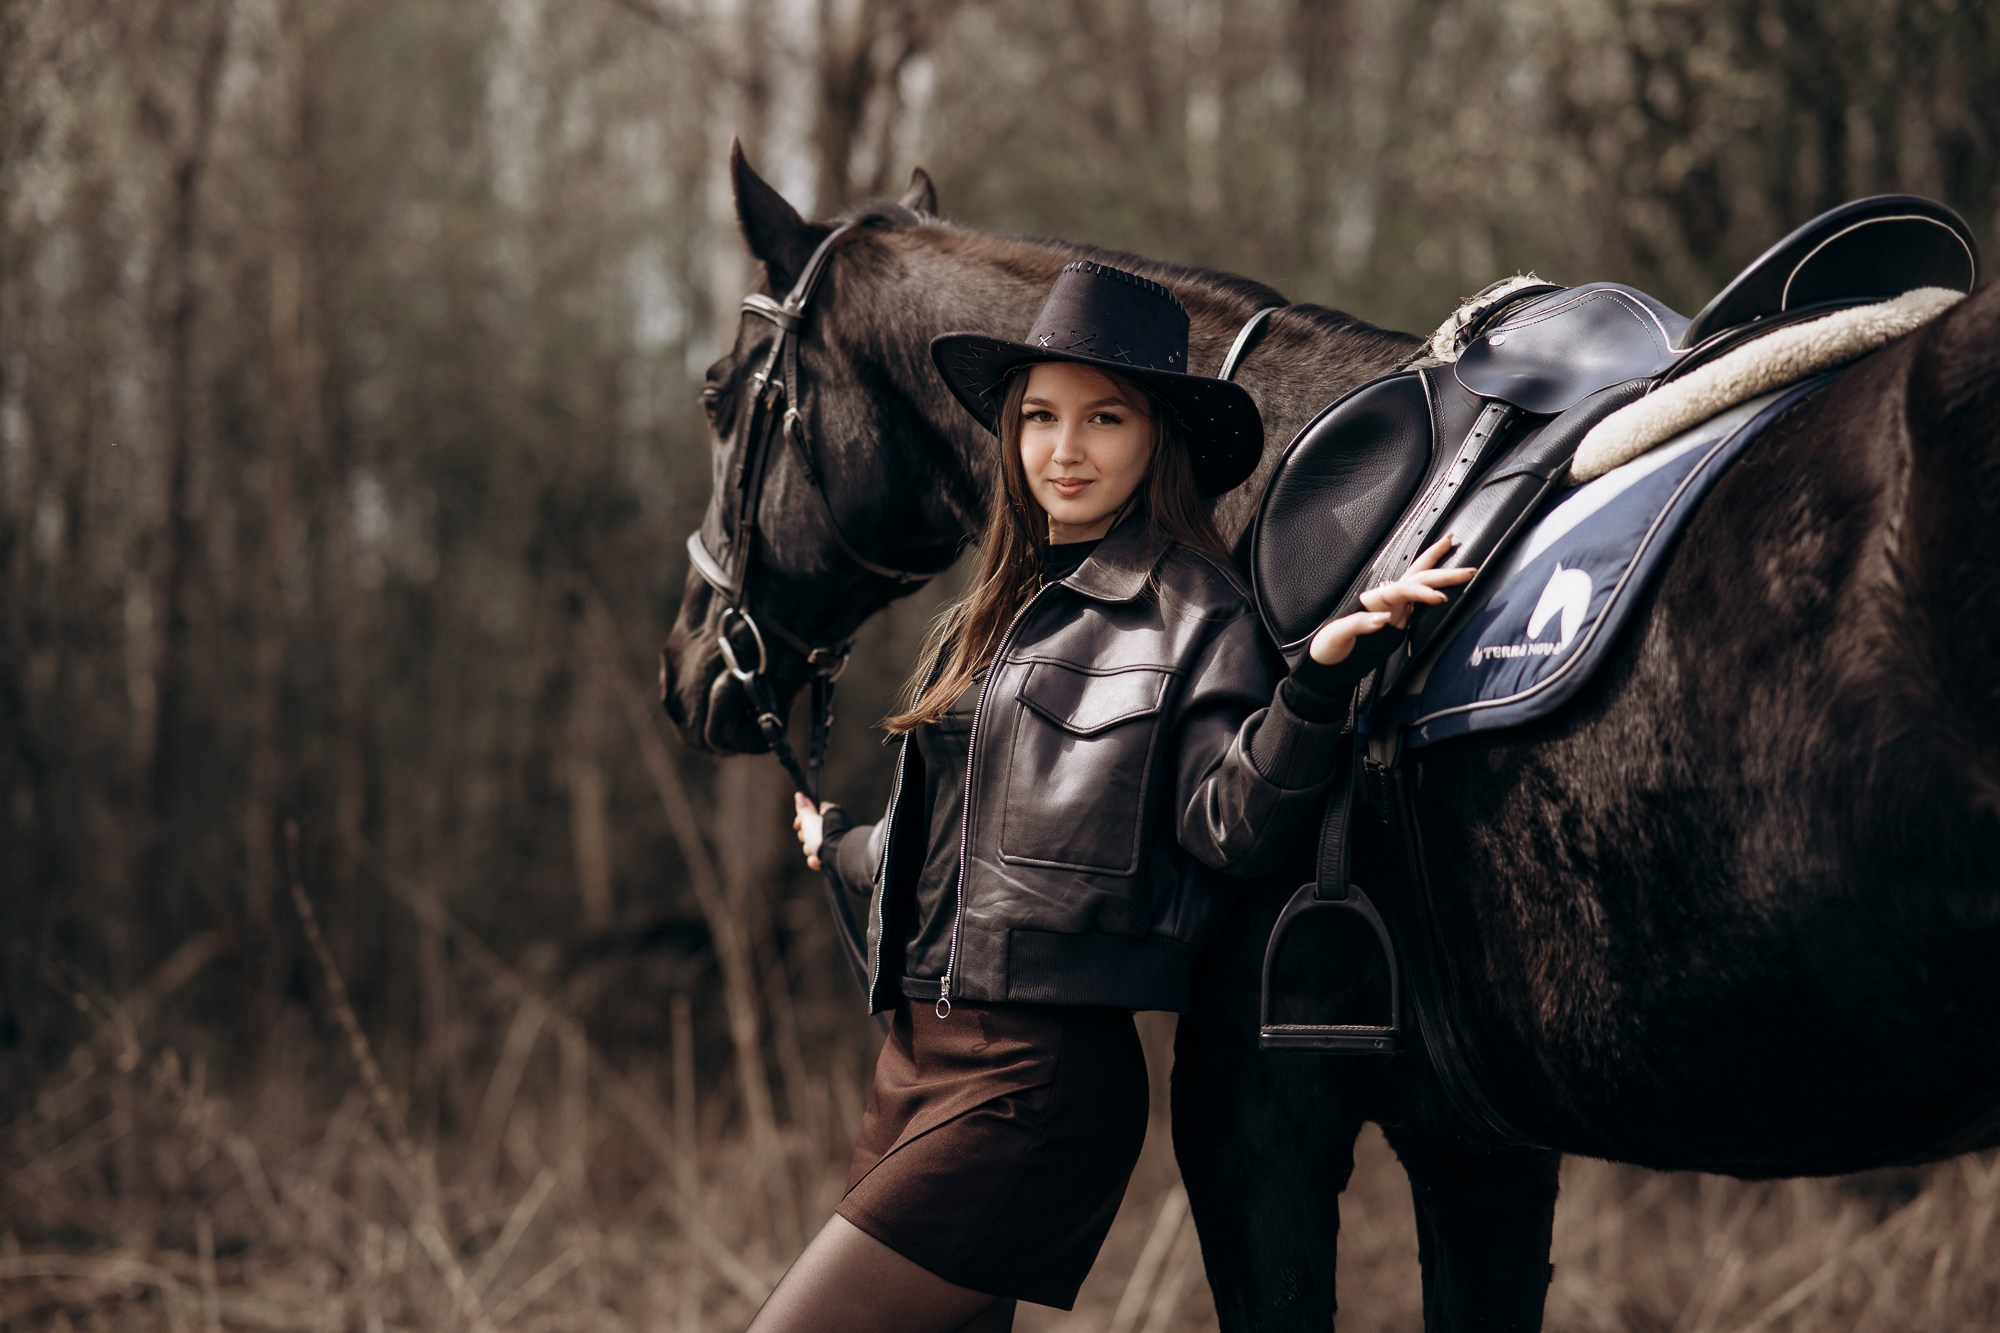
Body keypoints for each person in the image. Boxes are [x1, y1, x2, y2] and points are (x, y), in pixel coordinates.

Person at [752, 260, 1474, 1332]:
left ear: (1156, 438)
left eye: (1104, 417)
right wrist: (843, 841)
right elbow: (949, 844)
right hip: (916, 1066)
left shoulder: (1197, 612)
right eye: (1039, 416)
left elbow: (1228, 825)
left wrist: (1316, 684)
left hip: (1032, 1085)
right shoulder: (991, 616)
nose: (1065, 448)